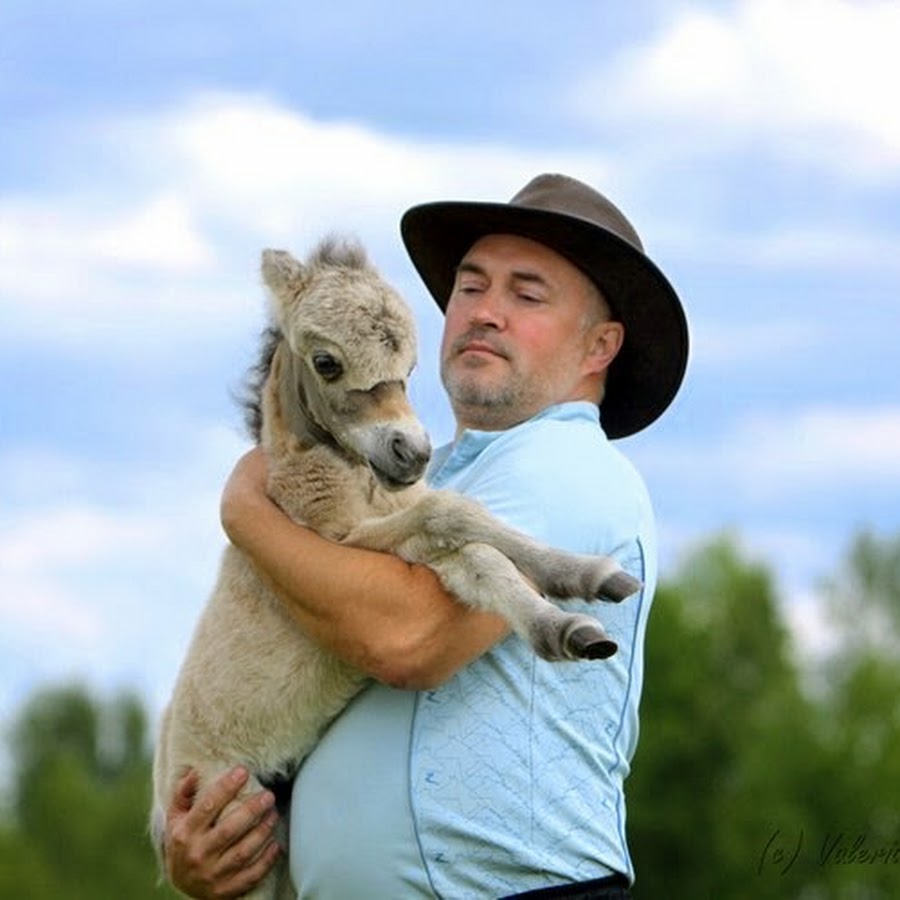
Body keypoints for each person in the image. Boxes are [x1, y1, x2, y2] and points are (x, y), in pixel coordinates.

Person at [163, 173, 689, 899]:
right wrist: (201, 848)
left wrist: (244, 513)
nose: (485, 312)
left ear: (599, 345)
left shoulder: (567, 466)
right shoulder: (414, 481)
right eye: (471, 288)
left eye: (526, 294)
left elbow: (406, 637)